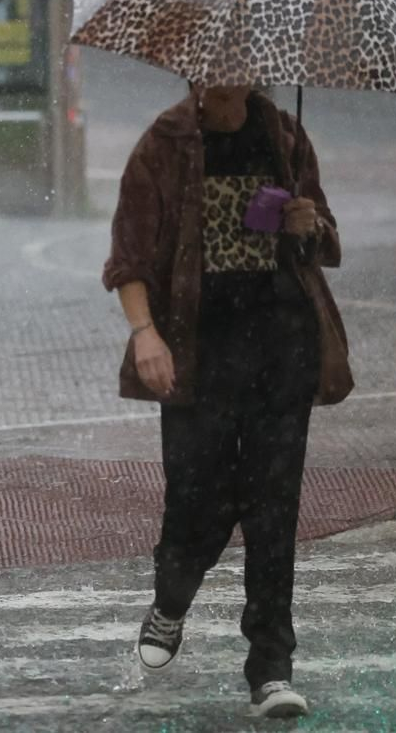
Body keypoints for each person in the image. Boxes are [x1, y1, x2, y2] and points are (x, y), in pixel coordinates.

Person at [102, 84, 352, 720]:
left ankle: (271, 668)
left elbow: (323, 237)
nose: (224, 73)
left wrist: (308, 224)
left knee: (273, 509)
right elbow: (128, 257)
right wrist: (146, 335)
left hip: (281, 349)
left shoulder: (286, 137)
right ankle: (171, 599)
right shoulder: (164, 144)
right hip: (197, 355)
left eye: (238, 62)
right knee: (197, 498)